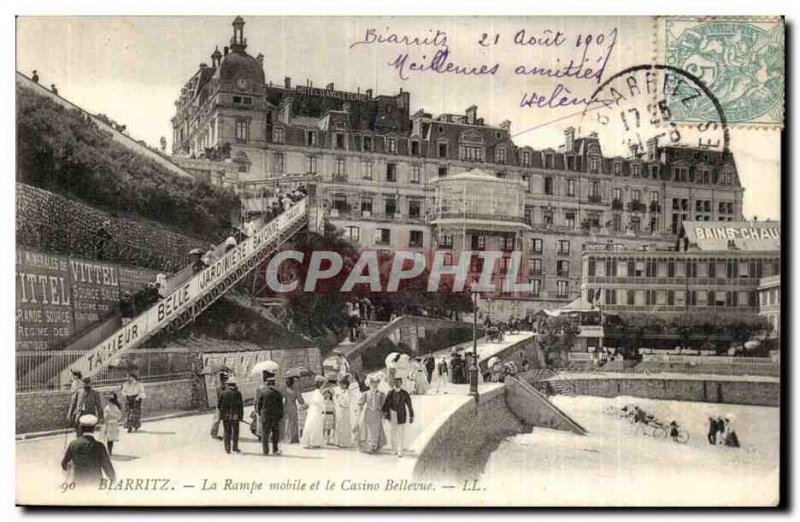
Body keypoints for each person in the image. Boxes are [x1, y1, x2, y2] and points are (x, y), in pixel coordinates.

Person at [61, 415, 116, 487]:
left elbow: (64, 464)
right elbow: (107, 466)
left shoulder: (73, 444)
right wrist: (113, 479)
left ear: (81, 428)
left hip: (78, 484)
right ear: (94, 429)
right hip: (96, 483)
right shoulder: (99, 446)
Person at [382, 378, 414, 457]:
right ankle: (395, 449)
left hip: (402, 414)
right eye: (395, 382)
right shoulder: (390, 393)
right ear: (393, 383)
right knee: (393, 432)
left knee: (401, 433)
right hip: (392, 413)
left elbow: (409, 405)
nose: (397, 384)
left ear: (401, 383)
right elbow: (386, 404)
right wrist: (385, 413)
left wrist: (411, 415)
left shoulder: (405, 393)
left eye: (398, 382)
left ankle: (400, 450)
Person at [255, 372, 284, 456]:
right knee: (275, 434)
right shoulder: (278, 393)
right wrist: (280, 416)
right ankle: (275, 450)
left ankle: (265, 451)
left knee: (265, 434)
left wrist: (261, 414)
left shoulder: (263, 393)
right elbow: (280, 406)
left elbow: (259, 405)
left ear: (267, 384)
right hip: (275, 417)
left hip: (265, 416)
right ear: (274, 384)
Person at [357, 375, 387, 454]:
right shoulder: (366, 393)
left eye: (376, 383)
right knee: (368, 430)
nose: (374, 384)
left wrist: (383, 413)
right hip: (368, 413)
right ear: (369, 384)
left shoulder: (381, 394)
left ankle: (374, 446)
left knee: (375, 430)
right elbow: (360, 402)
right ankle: (368, 447)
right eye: (373, 383)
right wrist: (360, 408)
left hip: (377, 413)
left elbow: (384, 404)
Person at [218, 377, 244, 454]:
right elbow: (240, 406)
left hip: (225, 416)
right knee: (235, 432)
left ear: (228, 385)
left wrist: (223, 414)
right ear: (235, 385)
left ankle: (227, 449)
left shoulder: (223, 393)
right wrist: (241, 416)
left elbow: (219, 405)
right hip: (235, 416)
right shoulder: (238, 394)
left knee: (227, 432)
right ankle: (235, 448)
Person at [300, 376, 326, 449]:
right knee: (314, 425)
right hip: (315, 411)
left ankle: (313, 442)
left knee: (314, 425)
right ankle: (312, 442)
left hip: (315, 411)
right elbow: (317, 402)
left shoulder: (316, 393)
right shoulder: (317, 393)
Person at [282, 376, 305, 444]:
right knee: (293, 422)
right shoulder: (296, 390)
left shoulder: (284, 389)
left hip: (285, 406)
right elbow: (301, 401)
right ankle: (293, 438)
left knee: (286, 422)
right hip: (292, 406)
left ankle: (286, 438)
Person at [334, 378, 352, 448]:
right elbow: (338, 402)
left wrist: (340, 398)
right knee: (339, 425)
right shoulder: (341, 392)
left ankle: (344, 442)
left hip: (345, 411)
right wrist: (338, 398)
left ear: (345, 385)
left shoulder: (348, 393)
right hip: (340, 410)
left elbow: (346, 403)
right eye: (340, 384)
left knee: (344, 426)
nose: (341, 385)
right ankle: (338, 441)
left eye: (342, 384)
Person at [210, 372, 228, 440]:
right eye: (223, 379)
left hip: (226, 406)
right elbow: (218, 398)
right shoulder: (218, 388)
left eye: (226, 379)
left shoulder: (227, 388)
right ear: (221, 380)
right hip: (220, 406)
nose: (224, 381)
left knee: (227, 420)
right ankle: (213, 434)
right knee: (217, 420)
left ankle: (227, 434)